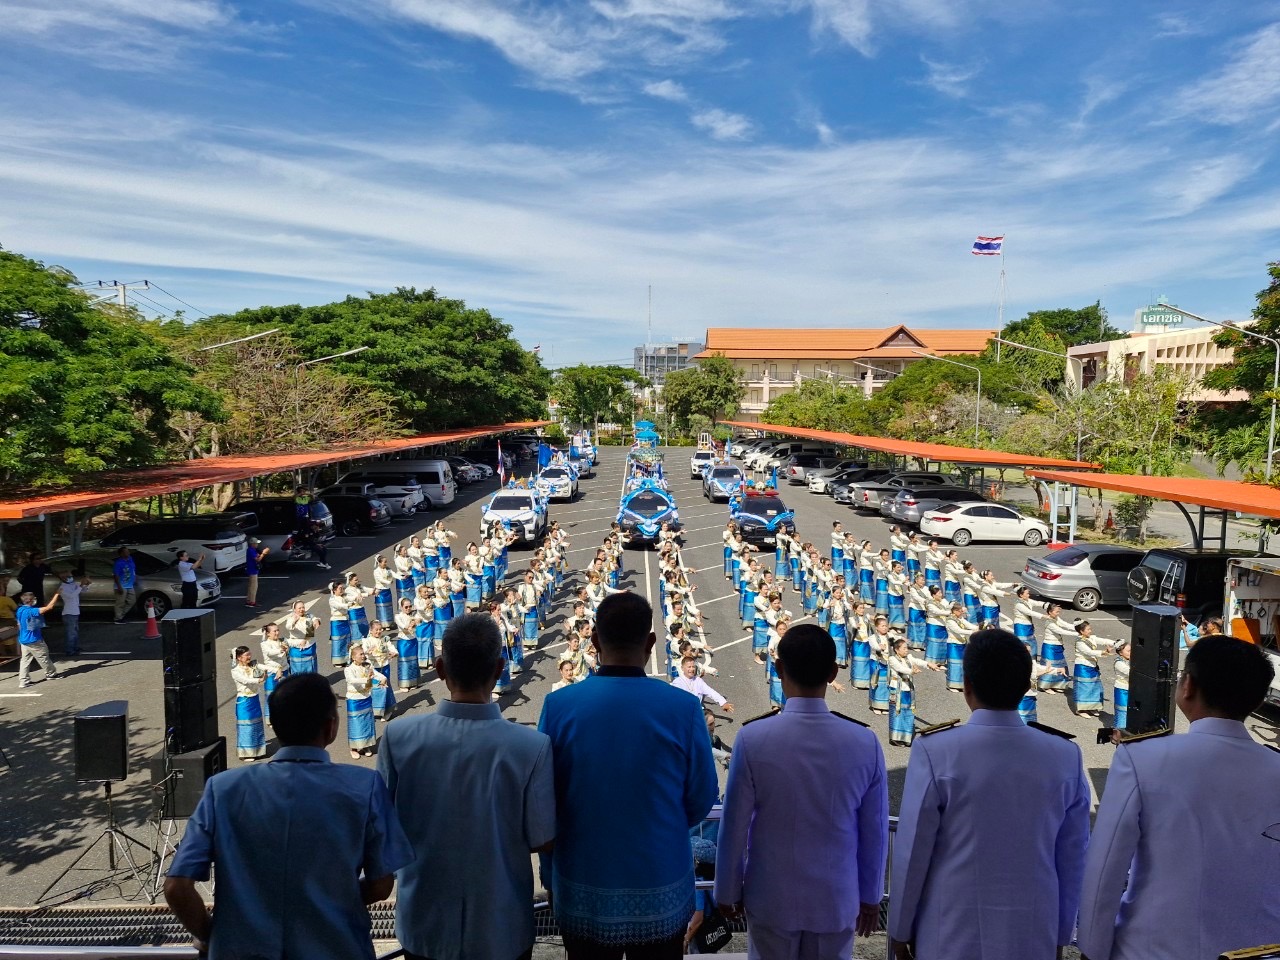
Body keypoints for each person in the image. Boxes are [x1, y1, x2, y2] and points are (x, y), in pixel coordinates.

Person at [164, 672, 413, 960]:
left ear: (274, 723)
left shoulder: (222, 789)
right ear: (331, 727)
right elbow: (381, 886)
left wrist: (214, 936)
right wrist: (332, 897)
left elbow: (176, 887)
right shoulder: (364, 785)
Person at [888, 629, 1090, 960]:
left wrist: (899, 928)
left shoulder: (936, 750)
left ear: (967, 684)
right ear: (1026, 686)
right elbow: (1072, 857)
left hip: (949, 930)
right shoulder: (1065, 755)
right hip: (1031, 931)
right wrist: (1061, 934)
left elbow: (913, 852)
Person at [538, 591, 718, 959]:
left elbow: (545, 801)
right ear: (650, 643)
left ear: (594, 641)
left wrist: (549, 875)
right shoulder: (683, 708)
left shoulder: (558, 706)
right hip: (660, 884)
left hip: (583, 884)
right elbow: (701, 799)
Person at [1077, 636, 1280, 960]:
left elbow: (1105, 871)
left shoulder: (1142, 758)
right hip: (1259, 951)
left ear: (1187, 687)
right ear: (1256, 702)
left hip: (1154, 949)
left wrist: (1092, 950)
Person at [378, 613, 556, 960]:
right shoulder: (531, 745)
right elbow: (542, 837)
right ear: (499, 668)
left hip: (424, 922)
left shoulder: (398, 736)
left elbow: (383, 825)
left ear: (440, 668)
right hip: (501, 924)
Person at [716, 624, 888, 960]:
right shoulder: (864, 741)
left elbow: (734, 826)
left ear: (779, 668)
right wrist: (871, 895)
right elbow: (875, 831)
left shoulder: (753, 738)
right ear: (833, 672)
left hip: (771, 895)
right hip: (835, 896)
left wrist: (727, 891)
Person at [230, 645, 270, 761]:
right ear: (239, 657)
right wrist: (259, 680)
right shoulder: (235, 671)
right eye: (246, 655)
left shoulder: (253, 665)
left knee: (256, 725)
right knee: (246, 726)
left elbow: (265, 667)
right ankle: (246, 753)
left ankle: (258, 751)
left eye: (249, 654)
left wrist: (277, 669)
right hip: (244, 701)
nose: (249, 657)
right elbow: (245, 680)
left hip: (254, 698)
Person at [16, 590, 62, 688]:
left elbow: (19, 624)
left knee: (25, 661)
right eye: (34, 598)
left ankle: (23, 681)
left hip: (23, 639)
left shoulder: (20, 610)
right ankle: (51, 674)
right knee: (44, 657)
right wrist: (57, 594)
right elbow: (49, 607)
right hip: (34, 639)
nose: (35, 600)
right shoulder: (31, 611)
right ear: (30, 600)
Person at [344, 644, 382, 759]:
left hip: (366, 697)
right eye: (360, 654)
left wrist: (383, 679)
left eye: (363, 654)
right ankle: (354, 748)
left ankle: (365, 745)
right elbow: (352, 680)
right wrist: (367, 679)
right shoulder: (348, 669)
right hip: (354, 700)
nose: (363, 656)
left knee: (367, 722)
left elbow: (375, 674)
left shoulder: (367, 665)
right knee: (356, 724)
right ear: (353, 657)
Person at [56, 566, 91, 656]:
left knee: (75, 632)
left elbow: (83, 590)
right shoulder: (62, 588)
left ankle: (75, 647)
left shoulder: (73, 584)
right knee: (71, 633)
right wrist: (81, 585)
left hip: (75, 612)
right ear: (63, 578)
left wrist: (86, 584)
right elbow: (71, 596)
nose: (71, 578)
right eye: (69, 576)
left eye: (71, 576)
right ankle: (70, 650)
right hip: (69, 613)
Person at [112, 546, 137, 623]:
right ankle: (118, 618)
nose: (128, 553)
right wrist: (119, 587)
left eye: (128, 551)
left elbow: (133, 569)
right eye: (125, 552)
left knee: (132, 601)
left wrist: (134, 578)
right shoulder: (118, 563)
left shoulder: (130, 559)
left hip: (130, 585)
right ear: (121, 554)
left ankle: (121, 615)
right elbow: (115, 576)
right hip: (121, 585)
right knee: (120, 603)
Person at [244, 538, 269, 608]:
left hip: (252, 570)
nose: (257, 544)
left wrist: (262, 553)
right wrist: (263, 553)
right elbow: (258, 559)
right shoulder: (251, 550)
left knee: (251, 586)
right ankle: (252, 602)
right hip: (252, 570)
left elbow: (257, 556)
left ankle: (249, 600)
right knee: (254, 587)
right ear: (253, 544)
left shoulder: (252, 550)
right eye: (256, 543)